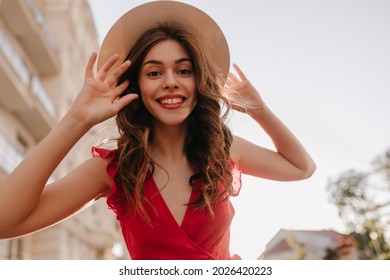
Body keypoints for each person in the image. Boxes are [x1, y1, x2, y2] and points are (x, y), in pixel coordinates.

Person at [0, 1, 316, 260]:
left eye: (183, 70)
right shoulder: (113, 169)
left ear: (198, 82)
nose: (170, 81)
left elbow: (302, 168)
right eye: (154, 72)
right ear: (136, 85)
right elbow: (4, 221)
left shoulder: (225, 151)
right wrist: (76, 119)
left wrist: (258, 109)